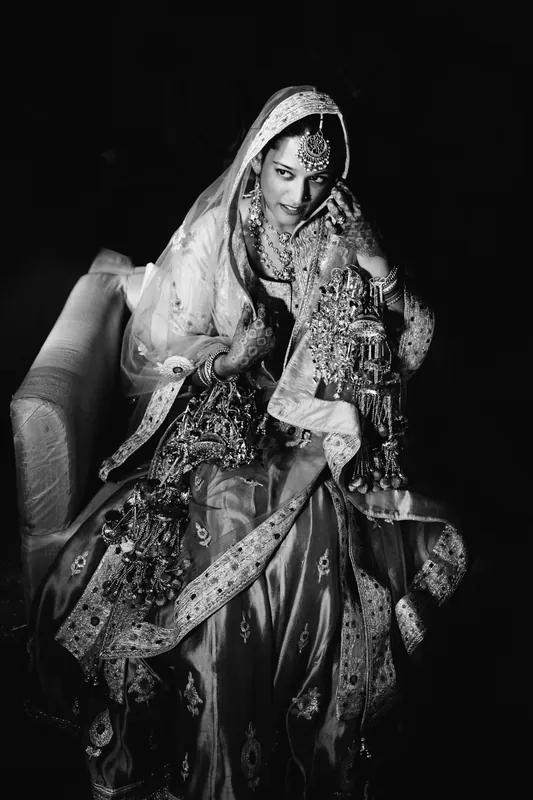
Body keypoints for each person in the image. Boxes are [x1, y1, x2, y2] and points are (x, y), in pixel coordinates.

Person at [27, 85, 467, 800]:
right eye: (285, 172)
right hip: (224, 425)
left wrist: (379, 268)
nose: (300, 192)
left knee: (313, 556)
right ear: (257, 163)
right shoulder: (217, 235)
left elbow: (408, 349)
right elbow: (158, 348)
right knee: (226, 522)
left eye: (317, 175)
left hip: (316, 428)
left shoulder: (341, 229)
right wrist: (233, 359)